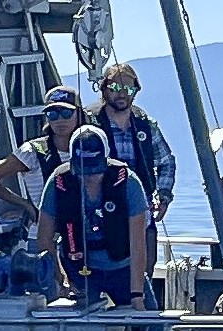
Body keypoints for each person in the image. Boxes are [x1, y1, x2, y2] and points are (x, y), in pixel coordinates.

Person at [40, 123, 155, 310]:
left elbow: (138, 243)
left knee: (150, 326)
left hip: (122, 267)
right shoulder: (59, 181)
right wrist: (61, 279)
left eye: (96, 168)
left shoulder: (128, 182)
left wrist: (137, 295)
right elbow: (44, 239)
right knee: (82, 326)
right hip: (79, 269)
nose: (90, 176)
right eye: (84, 170)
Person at [91, 62, 179, 223]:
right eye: (116, 88)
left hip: (140, 210)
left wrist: (163, 195)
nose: (123, 94)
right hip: (100, 212)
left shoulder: (146, 125)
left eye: (129, 89)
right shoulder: (90, 125)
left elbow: (166, 162)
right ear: (104, 89)